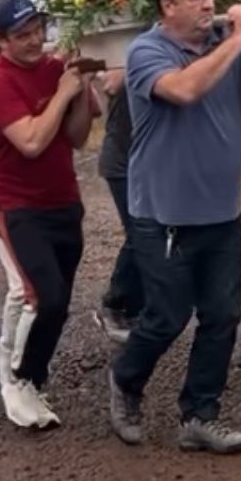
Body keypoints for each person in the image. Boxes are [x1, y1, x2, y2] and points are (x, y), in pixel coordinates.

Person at [108, 0, 241, 453]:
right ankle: (125, 382)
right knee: (166, 316)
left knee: (222, 315)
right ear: (167, 5)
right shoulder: (147, 50)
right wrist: (237, 39)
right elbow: (185, 89)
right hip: (163, 213)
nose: (210, 4)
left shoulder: (227, 45)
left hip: (221, 211)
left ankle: (200, 413)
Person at [0, 0, 93, 429]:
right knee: (42, 294)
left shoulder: (53, 69)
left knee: (60, 302)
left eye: (38, 30)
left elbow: (77, 138)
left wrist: (81, 91)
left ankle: (33, 376)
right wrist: (63, 93)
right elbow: (30, 141)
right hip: (18, 203)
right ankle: (16, 378)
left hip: (63, 198)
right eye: (21, 35)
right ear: (2, 41)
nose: (33, 41)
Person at [93, 69, 143, 341]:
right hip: (122, 164)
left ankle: (136, 307)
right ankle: (115, 302)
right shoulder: (127, 54)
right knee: (139, 234)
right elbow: (111, 81)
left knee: (150, 233)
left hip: (145, 163)